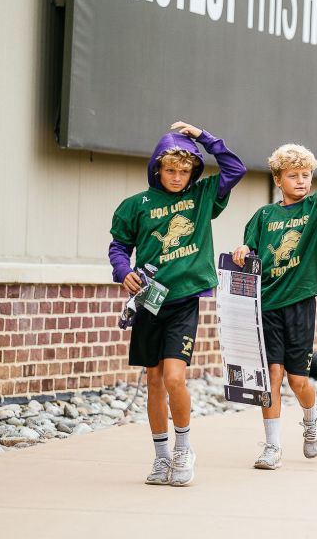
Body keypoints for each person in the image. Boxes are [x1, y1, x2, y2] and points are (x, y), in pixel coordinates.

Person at [108, 121, 245, 486]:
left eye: (185, 171)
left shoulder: (202, 197)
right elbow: (119, 246)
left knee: (173, 377)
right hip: (149, 301)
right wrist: (123, 272)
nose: (177, 177)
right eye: (170, 170)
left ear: (193, 172)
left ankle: (185, 449)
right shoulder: (135, 205)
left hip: (184, 301)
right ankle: (161, 457)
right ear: (157, 168)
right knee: (154, 380)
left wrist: (203, 137)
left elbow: (236, 168)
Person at [231, 144, 317, 470]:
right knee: (271, 377)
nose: (300, 181)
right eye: (292, 176)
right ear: (278, 179)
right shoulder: (264, 215)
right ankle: (272, 446)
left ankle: (312, 415)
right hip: (266, 305)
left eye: (305, 175)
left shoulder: (314, 207)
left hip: (299, 304)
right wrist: (241, 249)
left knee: (297, 380)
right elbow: (248, 249)